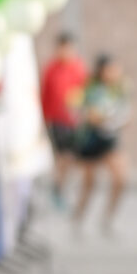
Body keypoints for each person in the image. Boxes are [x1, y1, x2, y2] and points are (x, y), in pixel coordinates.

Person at [70, 55, 129, 235]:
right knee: (89, 184)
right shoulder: (93, 91)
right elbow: (91, 116)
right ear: (102, 71)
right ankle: (78, 218)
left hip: (109, 140)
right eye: (111, 69)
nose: (115, 73)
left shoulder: (120, 90)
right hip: (92, 140)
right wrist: (105, 117)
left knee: (120, 179)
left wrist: (120, 120)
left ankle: (108, 219)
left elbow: (126, 114)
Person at [40, 33, 88, 207]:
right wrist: (44, 119)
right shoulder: (51, 69)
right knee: (63, 156)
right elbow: (45, 96)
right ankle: (57, 188)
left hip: (74, 121)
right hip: (57, 120)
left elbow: (85, 93)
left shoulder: (79, 68)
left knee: (71, 158)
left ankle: (60, 186)